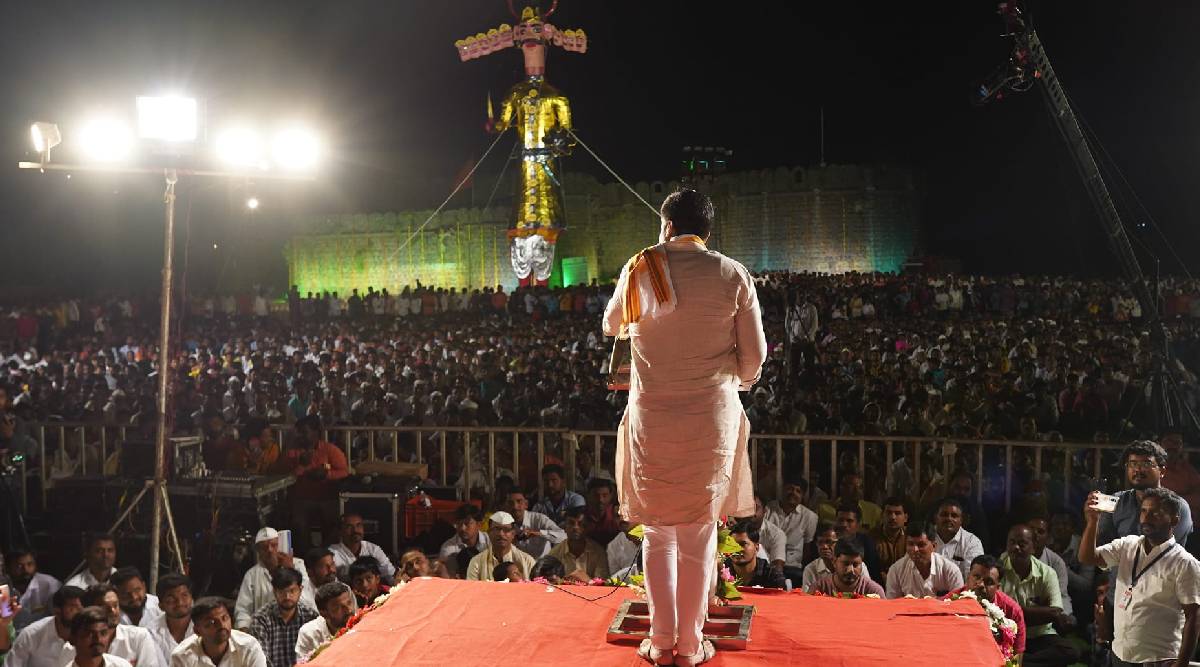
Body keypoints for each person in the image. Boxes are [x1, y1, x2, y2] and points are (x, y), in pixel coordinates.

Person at [602, 189, 766, 667]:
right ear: (708, 231)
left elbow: (612, 325)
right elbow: (753, 360)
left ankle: (661, 640)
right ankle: (691, 648)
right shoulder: (732, 274)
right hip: (710, 422)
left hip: (652, 419)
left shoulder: (641, 268)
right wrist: (735, 376)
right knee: (697, 533)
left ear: (666, 224)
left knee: (658, 532)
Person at [1081, 487, 1200, 666]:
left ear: (1174, 520)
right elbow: (1087, 558)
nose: (1147, 517)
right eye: (1144, 510)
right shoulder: (1128, 545)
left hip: (1159, 658)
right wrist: (1092, 522)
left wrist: (1182, 663)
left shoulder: (1185, 563)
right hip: (1121, 652)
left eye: (1156, 513)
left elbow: (1194, 617)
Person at [998, 524, 1078, 667]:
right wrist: (1041, 612)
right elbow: (999, 615)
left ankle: (1019, 663)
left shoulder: (1047, 573)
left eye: (1022, 544)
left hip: (1040, 635)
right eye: (1012, 542)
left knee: (1070, 651)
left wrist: (1016, 613)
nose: (1016, 547)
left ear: (1033, 547)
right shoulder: (998, 571)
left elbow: (1056, 613)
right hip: (1009, 636)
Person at [1098, 440, 1193, 548]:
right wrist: (1092, 520)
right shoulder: (1114, 500)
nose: (1138, 469)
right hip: (1119, 563)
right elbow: (1101, 546)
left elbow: (1167, 551)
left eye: (1146, 464)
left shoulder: (1179, 506)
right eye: (1133, 464)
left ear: (1162, 472)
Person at [281, 416, 349, 550]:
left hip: (327, 500)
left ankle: (327, 555)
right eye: (299, 432)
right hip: (301, 500)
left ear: (316, 432)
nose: (301, 436)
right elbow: (282, 475)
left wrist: (327, 475)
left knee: (333, 524)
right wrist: (300, 466)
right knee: (298, 525)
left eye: (304, 432)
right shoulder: (292, 452)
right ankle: (306, 555)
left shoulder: (330, 450)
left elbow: (344, 472)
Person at [944, 555, 1026, 659]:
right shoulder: (949, 602)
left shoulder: (1013, 611)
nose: (981, 584)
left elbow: (1016, 656)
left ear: (998, 587)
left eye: (989, 582)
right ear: (968, 577)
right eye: (977, 577)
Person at [234, 528, 314, 630]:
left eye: (274, 545)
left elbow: (308, 602)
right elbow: (243, 610)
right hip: (263, 630)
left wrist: (290, 569)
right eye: (264, 547)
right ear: (258, 551)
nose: (270, 550)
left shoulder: (297, 565)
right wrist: (245, 630)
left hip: (297, 628)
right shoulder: (252, 574)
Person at [79, 585, 163, 667]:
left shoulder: (138, 636)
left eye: (115, 605)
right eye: (105, 607)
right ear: (89, 609)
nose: (113, 611)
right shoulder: (77, 643)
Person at [248, 568, 317, 667]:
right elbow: (261, 659)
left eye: (292, 591)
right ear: (274, 592)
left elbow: (317, 654)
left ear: (300, 590)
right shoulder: (261, 619)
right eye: (282, 592)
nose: (287, 596)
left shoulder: (310, 616)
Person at [170, 597, 267, 667]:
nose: (222, 625)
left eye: (225, 618)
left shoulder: (248, 647)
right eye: (212, 622)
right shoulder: (182, 656)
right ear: (197, 631)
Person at [5, 585, 85, 667]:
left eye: (82, 607)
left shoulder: (89, 634)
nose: (80, 612)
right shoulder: (31, 635)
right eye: (73, 607)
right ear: (57, 611)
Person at [885, 523, 963, 599]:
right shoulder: (895, 571)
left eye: (921, 545)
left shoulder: (951, 571)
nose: (915, 549)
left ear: (934, 546)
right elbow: (891, 606)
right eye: (911, 544)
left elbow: (959, 605)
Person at [763, 479, 818, 583]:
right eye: (790, 489)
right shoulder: (768, 509)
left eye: (798, 491)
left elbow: (807, 548)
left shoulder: (810, 517)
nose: (793, 493)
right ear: (783, 490)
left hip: (793, 567)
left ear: (803, 496)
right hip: (767, 564)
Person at [1026, 515, 1074, 619]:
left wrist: (1064, 616)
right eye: (1031, 530)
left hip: (1049, 611)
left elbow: (1061, 595)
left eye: (1040, 532)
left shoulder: (1056, 562)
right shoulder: (1011, 557)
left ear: (1048, 537)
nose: (1035, 535)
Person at [464, 512, 536, 582]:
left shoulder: (527, 562)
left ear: (513, 534)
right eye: (496, 529)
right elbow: (472, 592)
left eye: (506, 530)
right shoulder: (476, 562)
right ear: (489, 532)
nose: (501, 534)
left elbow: (536, 591)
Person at [3, 548, 61, 631]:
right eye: (19, 566)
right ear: (8, 568)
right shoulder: (3, 588)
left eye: (29, 564)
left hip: (41, 635)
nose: (25, 570)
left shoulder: (50, 584)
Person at [295, 583, 353, 663]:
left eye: (349, 603)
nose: (349, 610)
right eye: (339, 607)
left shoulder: (361, 622)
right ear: (324, 614)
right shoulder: (308, 634)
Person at [548, 506, 610, 581]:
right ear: (564, 527)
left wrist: (588, 581)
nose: (575, 527)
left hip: (591, 592)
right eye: (571, 523)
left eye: (580, 523)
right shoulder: (554, 554)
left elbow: (603, 585)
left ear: (587, 528)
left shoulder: (598, 552)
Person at [327, 513, 396, 580]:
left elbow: (390, 574)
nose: (355, 530)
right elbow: (331, 583)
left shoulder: (373, 549)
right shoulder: (332, 553)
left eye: (358, 525)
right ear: (340, 531)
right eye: (349, 527)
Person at [932, 497, 984, 581]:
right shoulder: (925, 537)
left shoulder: (972, 542)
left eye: (954, 516)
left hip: (960, 592)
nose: (949, 518)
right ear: (935, 518)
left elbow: (974, 578)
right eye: (944, 514)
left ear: (961, 520)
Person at [147, 574, 194, 666]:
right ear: (160, 605)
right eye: (171, 598)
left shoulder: (206, 626)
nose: (179, 602)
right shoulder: (150, 631)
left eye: (184, 595)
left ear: (192, 598)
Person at [811, 539, 886, 597]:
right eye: (846, 564)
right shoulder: (819, 589)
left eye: (855, 565)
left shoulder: (874, 592)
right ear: (834, 562)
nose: (850, 570)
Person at [504, 490, 566, 559]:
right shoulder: (504, 524)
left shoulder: (539, 519)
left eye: (519, 501)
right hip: (520, 565)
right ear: (506, 506)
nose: (515, 506)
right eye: (510, 503)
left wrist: (538, 533)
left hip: (543, 564)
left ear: (526, 504)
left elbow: (562, 536)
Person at [725, 522, 786, 589]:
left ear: (756, 548)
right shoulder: (720, 570)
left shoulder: (771, 575)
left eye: (743, 544)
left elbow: (782, 598)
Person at [65, 605, 131, 667]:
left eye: (103, 633)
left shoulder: (122, 665)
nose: (98, 639)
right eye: (90, 634)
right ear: (73, 639)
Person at [437, 504, 489, 579]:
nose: (462, 528)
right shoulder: (448, 549)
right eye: (459, 524)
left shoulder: (489, 542)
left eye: (467, 524)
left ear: (479, 525)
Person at [818, 472, 883, 531]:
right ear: (841, 488)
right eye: (851, 487)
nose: (857, 491)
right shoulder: (823, 509)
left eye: (860, 487)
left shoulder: (874, 510)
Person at [833, 504, 880, 578]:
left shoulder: (867, 544)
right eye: (841, 520)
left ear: (858, 524)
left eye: (849, 521)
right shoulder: (827, 541)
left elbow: (874, 574)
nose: (844, 524)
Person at [868, 497, 909, 580]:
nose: (893, 517)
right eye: (889, 513)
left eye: (897, 513)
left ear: (905, 518)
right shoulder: (871, 537)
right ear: (882, 515)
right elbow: (870, 567)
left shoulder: (910, 536)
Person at [583, 478, 622, 547]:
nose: (600, 500)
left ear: (611, 496)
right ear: (588, 496)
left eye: (605, 495)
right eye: (596, 495)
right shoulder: (581, 516)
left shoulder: (619, 515)